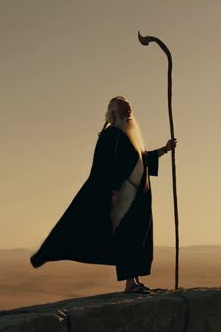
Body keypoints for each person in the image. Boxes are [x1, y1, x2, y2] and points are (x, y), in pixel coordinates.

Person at [30, 95, 177, 293]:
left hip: (137, 196)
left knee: (137, 235)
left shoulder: (128, 136)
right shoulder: (111, 136)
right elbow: (104, 166)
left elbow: (142, 160)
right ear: (115, 114)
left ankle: (135, 280)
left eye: (130, 110)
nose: (129, 113)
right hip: (122, 195)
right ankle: (130, 283)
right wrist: (112, 190)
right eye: (125, 110)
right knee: (127, 235)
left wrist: (165, 149)